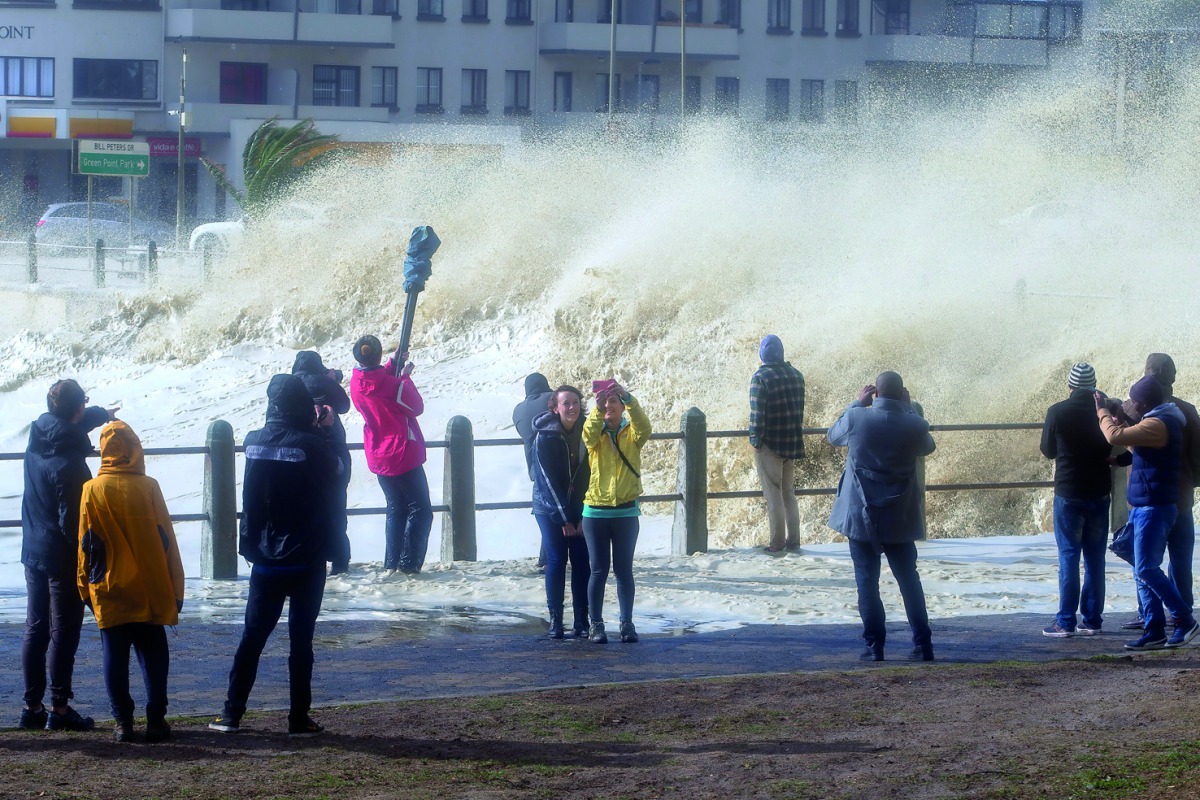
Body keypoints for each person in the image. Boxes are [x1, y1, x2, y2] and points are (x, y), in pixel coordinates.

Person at [210, 374, 341, 737]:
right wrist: (325, 432)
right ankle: (298, 717)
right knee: (301, 642)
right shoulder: (312, 446)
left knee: (252, 637)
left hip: (265, 557)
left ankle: (231, 713)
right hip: (306, 555)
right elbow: (337, 476)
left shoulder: (254, 442)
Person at [77, 420, 186, 743]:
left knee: (114, 653)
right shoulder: (149, 486)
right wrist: (176, 588)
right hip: (151, 585)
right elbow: (167, 540)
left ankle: (123, 722)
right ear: (136, 449)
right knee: (154, 651)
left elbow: (86, 543)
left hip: (109, 586)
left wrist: (84, 585)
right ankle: (156, 719)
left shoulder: (91, 490)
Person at [19, 379, 116, 732]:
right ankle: (59, 709)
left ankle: (31, 706)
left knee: (36, 626)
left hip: (33, 548)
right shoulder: (71, 466)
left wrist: (102, 414)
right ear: (77, 410)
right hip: (61, 558)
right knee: (64, 630)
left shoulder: (39, 436)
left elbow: (69, 423)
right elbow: (72, 524)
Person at [827, 372, 937, 663]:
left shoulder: (857, 418)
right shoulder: (915, 424)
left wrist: (855, 403)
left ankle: (875, 646)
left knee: (867, 580)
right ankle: (923, 644)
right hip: (899, 516)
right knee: (909, 581)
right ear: (902, 393)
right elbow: (928, 447)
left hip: (860, 515)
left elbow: (832, 435)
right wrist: (909, 408)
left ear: (875, 393)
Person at [1095, 375, 1199, 651]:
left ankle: (1184, 619)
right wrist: (1121, 420)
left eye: (1134, 401)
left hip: (1155, 505)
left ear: (1144, 403)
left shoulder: (1159, 422)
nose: (1132, 405)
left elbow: (1113, 437)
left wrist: (1102, 411)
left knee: (1146, 568)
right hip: (1145, 504)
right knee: (1140, 570)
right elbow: (1137, 447)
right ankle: (1153, 630)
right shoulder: (1158, 419)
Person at [1118, 354, 1200, 631]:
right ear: (1174, 376)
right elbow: (1198, 455)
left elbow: (1122, 442)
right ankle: (1183, 612)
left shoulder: (1133, 407)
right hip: (1181, 494)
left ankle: (1149, 615)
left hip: (1147, 496)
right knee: (1180, 559)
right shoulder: (1186, 410)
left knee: (1143, 559)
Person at [1038, 363, 1113, 637]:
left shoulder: (1057, 411)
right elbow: (1116, 441)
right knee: (1095, 558)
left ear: (1070, 385)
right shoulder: (1103, 411)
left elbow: (1048, 450)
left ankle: (1065, 621)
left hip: (1069, 491)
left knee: (1069, 556)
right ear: (1094, 386)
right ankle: (1092, 620)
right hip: (1099, 490)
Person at [349, 335, 432, 574]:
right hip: (401, 452)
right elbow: (416, 407)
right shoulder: (394, 385)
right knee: (421, 510)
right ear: (378, 355)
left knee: (396, 507)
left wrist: (393, 363)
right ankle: (409, 566)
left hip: (378, 452)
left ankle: (392, 563)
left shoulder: (356, 382)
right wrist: (404, 376)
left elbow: (376, 381)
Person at [581, 381, 651, 644]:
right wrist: (596, 410)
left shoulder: (632, 434)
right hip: (595, 513)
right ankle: (596, 625)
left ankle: (627, 624)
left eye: (613, 402)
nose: (609, 406)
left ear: (622, 407)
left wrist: (628, 397)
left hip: (625, 513)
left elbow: (645, 426)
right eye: (605, 402)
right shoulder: (595, 435)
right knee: (598, 571)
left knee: (624, 571)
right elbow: (587, 434)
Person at [531, 386, 591, 638]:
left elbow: (593, 474)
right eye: (566, 403)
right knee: (556, 559)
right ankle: (556, 619)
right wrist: (565, 518)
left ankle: (582, 620)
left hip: (580, 508)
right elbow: (547, 481)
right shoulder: (545, 436)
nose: (572, 408)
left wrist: (581, 515)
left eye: (576, 402)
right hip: (548, 507)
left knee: (581, 562)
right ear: (555, 408)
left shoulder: (590, 431)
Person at [293, 350, 353, 575]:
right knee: (336, 505)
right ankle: (339, 562)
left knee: (307, 507)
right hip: (330, 446)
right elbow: (344, 406)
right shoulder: (320, 381)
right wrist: (328, 382)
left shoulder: (291, 384)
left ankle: (312, 558)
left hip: (301, 451)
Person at [749, 334, 806, 553]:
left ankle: (777, 543)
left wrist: (755, 440)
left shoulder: (761, 378)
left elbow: (757, 415)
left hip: (770, 444)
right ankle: (794, 541)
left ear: (763, 353)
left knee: (773, 494)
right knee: (788, 493)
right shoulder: (796, 375)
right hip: (791, 442)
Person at [514, 373, 555, 572]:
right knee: (559, 513)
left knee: (547, 514)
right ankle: (548, 560)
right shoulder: (555, 399)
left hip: (535, 469)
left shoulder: (518, 410)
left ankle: (545, 559)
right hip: (558, 463)